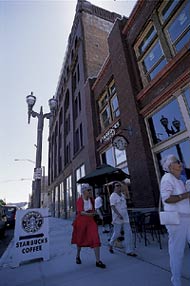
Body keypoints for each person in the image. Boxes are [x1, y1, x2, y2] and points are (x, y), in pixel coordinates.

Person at [160, 154, 190, 286]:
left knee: (178, 251)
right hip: (177, 220)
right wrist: (186, 195)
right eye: (178, 162)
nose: (181, 163)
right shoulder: (167, 178)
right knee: (177, 251)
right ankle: (176, 280)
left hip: (187, 218)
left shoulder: (179, 180)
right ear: (171, 166)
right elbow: (167, 198)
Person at [71, 183, 106, 269]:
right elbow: (80, 212)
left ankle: (98, 261)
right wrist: (88, 214)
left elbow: (94, 208)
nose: (90, 191)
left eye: (90, 190)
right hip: (81, 222)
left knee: (95, 238)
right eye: (88, 190)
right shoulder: (80, 200)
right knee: (80, 240)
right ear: (83, 191)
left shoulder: (92, 199)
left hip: (90, 221)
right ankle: (78, 256)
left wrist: (96, 214)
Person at [108, 181, 137, 257]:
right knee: (117, 233)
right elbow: (113, 207)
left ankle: (129, 250)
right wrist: (119, 215)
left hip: (125, 217)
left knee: (128, 233)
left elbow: (126, 201)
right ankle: (111, 243)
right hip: (117, 218)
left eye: (119, 186)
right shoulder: (112, 196)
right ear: (114, 187)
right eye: (117, 186)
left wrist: (126, 189)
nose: (119, 187)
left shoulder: (122, 195)